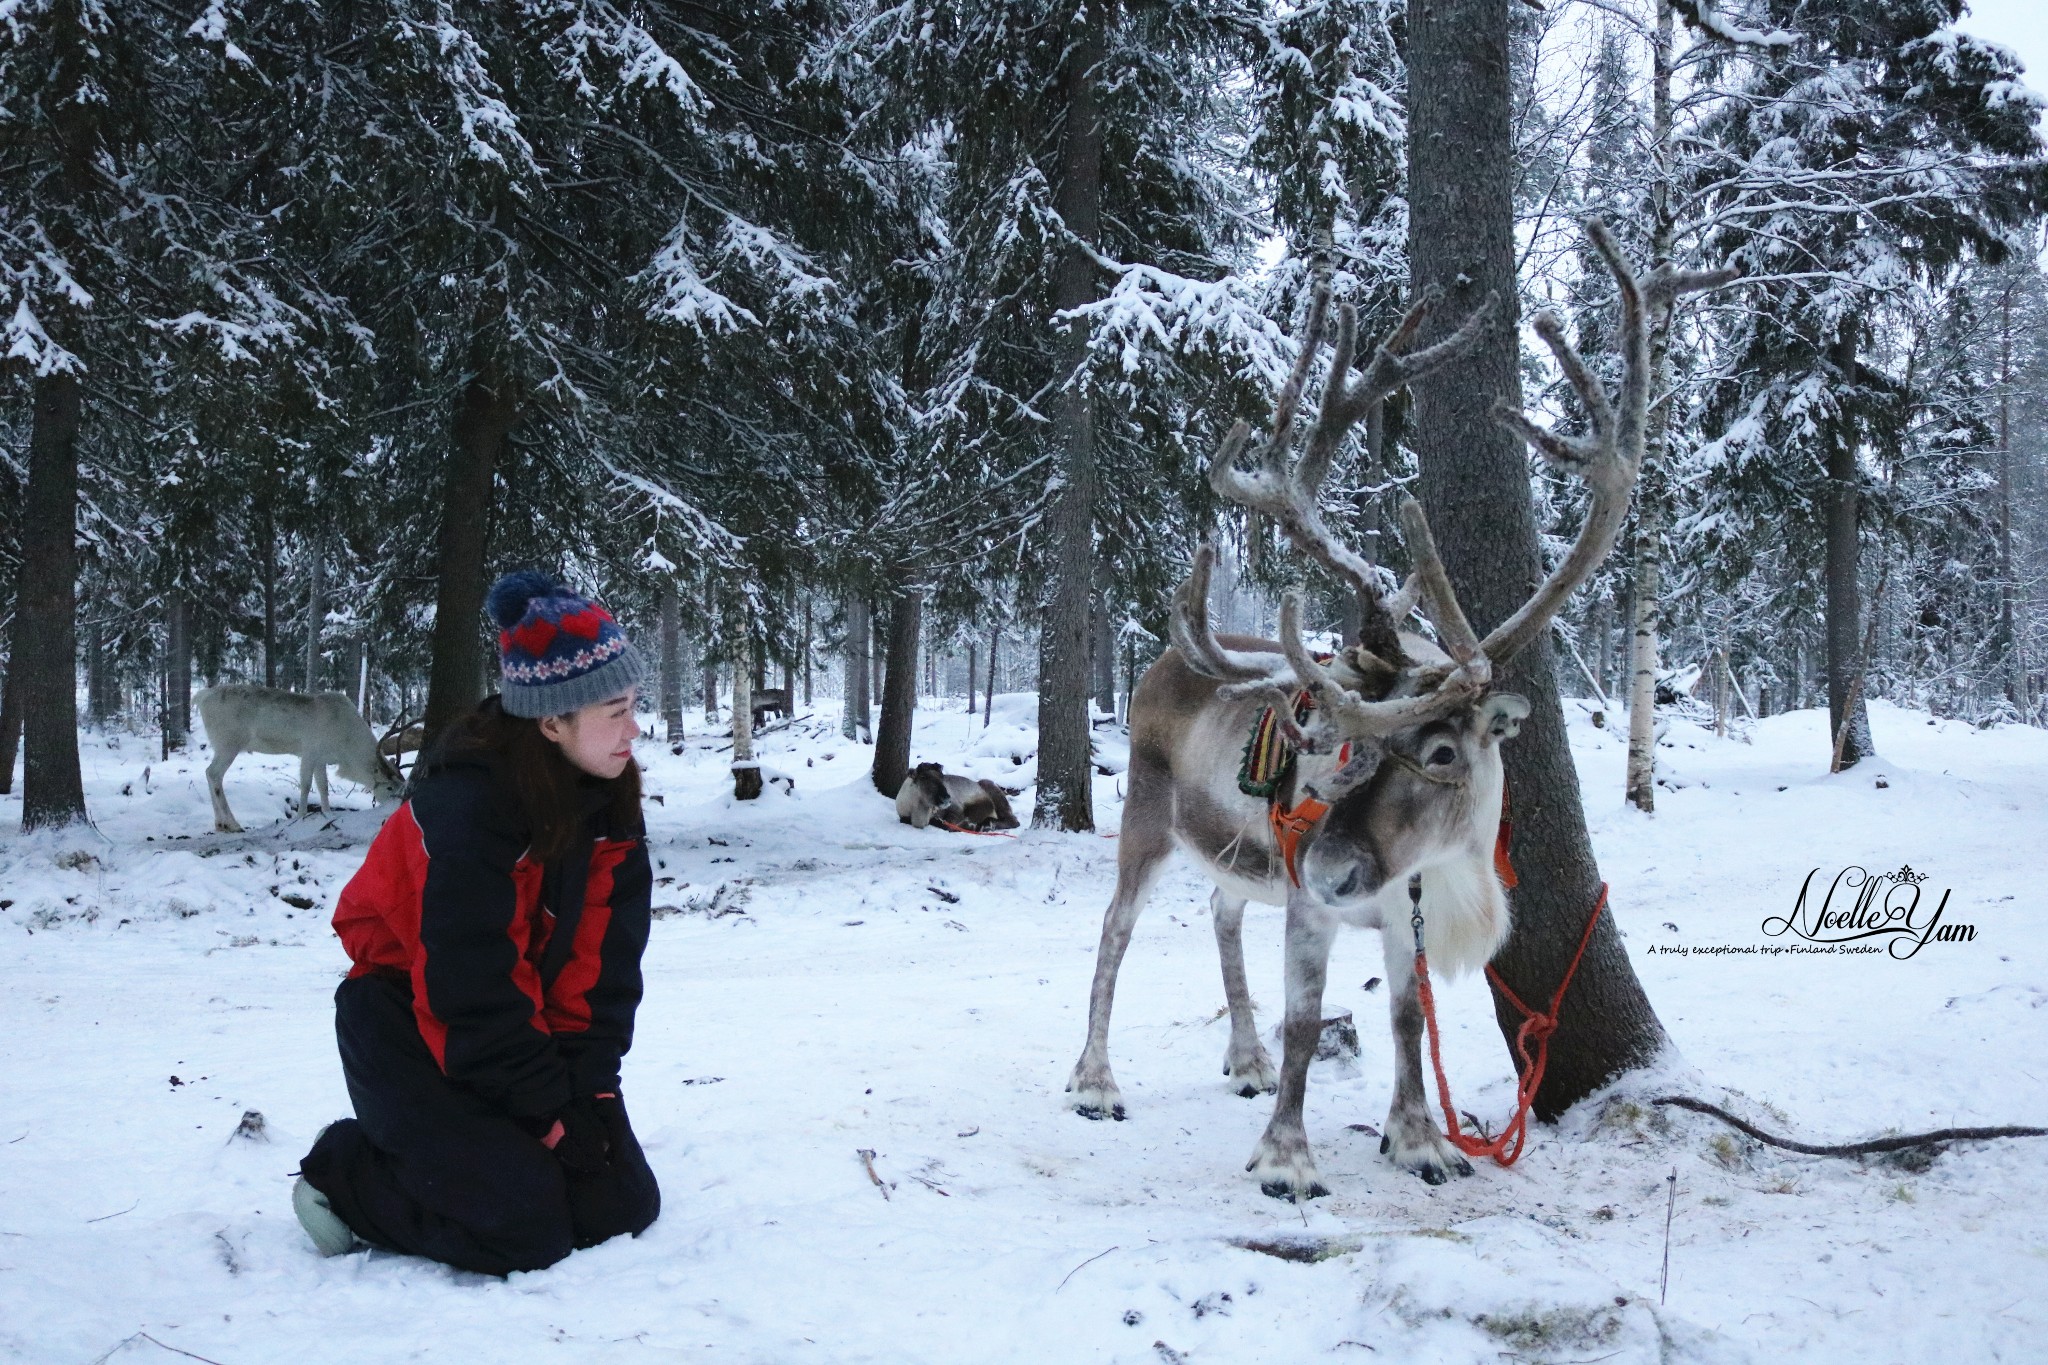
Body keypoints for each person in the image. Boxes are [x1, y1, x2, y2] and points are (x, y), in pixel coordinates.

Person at [293, 570, 660, 1275]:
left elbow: (603, 967)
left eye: (633, 705)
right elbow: (470, 988)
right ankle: (345, 1171)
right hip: (401, 1020)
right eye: (615, 709)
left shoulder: (610, 803)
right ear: (552, 721)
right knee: (526, 1229)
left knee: (620, 1207)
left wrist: (591, 1090)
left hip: (507, 1028)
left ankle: (471, 1148)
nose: (633, 728)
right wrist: (549, 1118)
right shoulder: (465, 811)